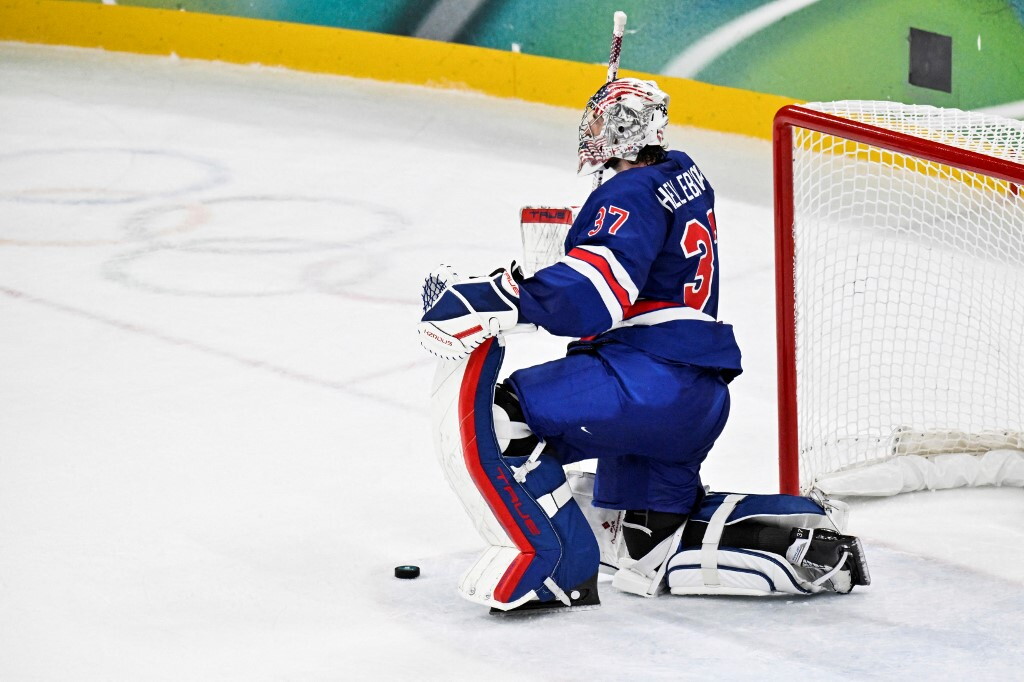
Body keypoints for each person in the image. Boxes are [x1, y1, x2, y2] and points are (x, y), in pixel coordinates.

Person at [418, 78, 868, 612]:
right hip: (695, 391)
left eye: (599, 123)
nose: (590, 132)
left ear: (623, 132)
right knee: (649, 544)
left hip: (643, 382)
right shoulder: (683, 172)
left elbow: (595, 294)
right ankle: (802, 539)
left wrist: (506, 292)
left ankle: (552, 567)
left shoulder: (625, 194)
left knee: (501, 420)